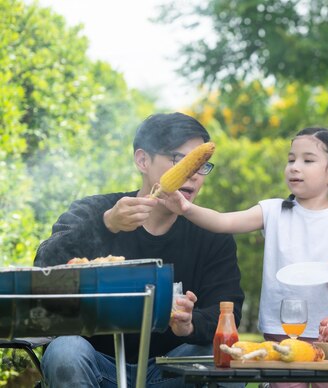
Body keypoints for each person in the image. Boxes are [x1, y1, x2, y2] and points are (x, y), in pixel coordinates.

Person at [34, 112, 245, 388]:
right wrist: (106, 224)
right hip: (97, 364)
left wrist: (191, 322)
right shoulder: (96, 210)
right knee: (65, 351)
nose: (192, 174)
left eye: (201, 164)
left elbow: (227, 310)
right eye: (178, 160)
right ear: (143, 160)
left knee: (225, 359)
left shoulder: (210, 232)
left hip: (171, 369)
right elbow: (45, 266)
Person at [161, 127, 328, 346]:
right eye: (291, 160)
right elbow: (224, 222)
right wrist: (185, 208)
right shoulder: (273, 211)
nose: (294, 167)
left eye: (307, 161)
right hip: (282, 330)